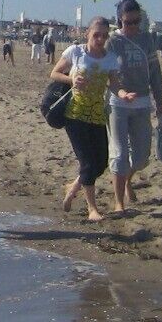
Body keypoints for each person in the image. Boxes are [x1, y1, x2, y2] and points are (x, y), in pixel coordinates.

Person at [51, 16, 121, 221]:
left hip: (97, 115)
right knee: (88, 163)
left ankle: (73, 187)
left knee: (101, 163)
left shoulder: (110, 58)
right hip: (75, 114)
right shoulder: (76, 52)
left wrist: (123, 94)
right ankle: (92, 209)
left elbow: (114, 85)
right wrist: (71, 78)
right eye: (96, 35)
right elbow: (54, 73)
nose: (100, 39)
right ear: (87, 34)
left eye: (104, 36)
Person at [108, 0, 162, 214]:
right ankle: (119, 202)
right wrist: (120, 92)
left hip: (142, 103)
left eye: (136, 22)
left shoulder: (147, 39)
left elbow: (155, 71)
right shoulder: (112, 42)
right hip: (117, 104)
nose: (132, 27)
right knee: (120, 155)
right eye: (127, 23)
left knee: (141, 158)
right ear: (119, 21)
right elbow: (107, 74)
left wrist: (159, 100)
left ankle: (127, 179)